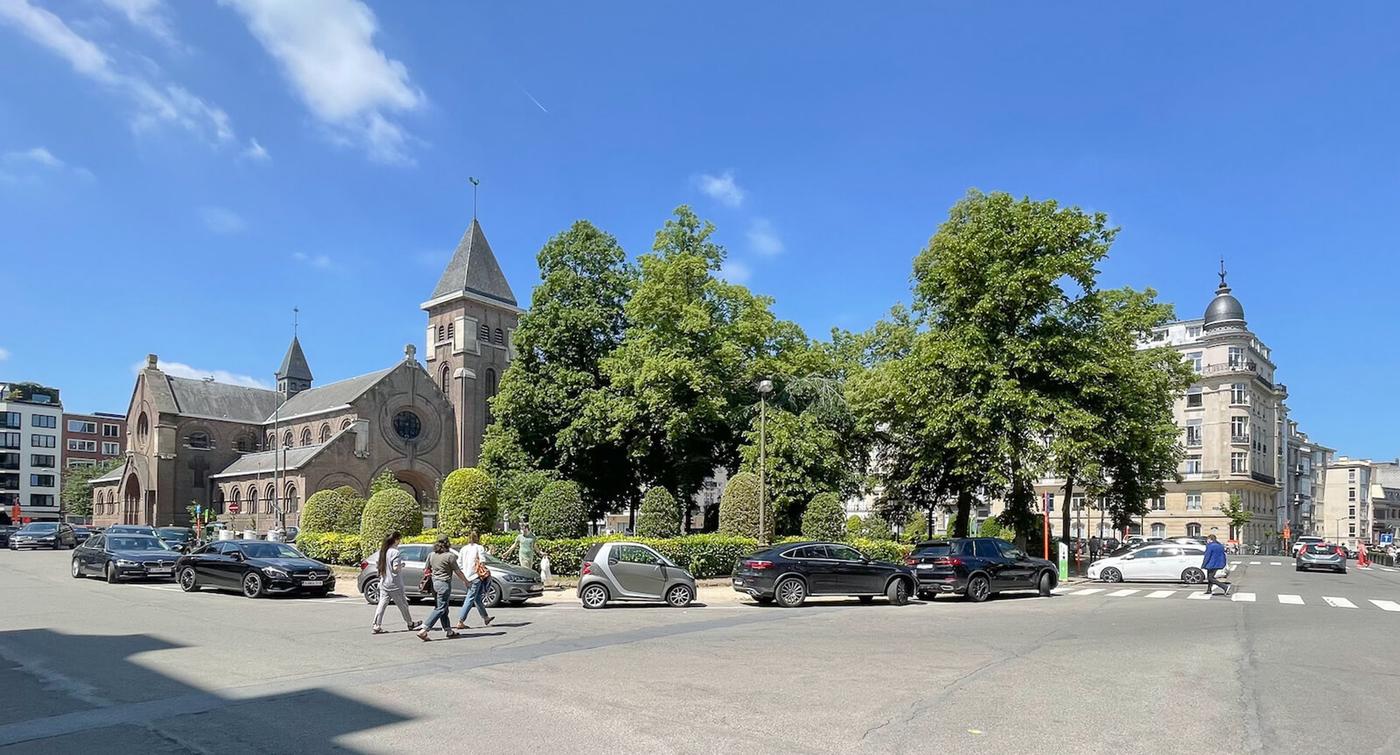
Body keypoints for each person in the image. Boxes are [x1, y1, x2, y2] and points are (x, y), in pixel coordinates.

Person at [418, 536, 470, 642]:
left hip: (433, 584)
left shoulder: (431, 555)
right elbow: (458, 571)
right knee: (440, 608)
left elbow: (426, 569)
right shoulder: (449, 556)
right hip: (444, 584)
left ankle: (448, 630)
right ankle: (424, 629)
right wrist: (466, 581)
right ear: (448, 544)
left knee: (443, 607)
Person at [372, 531, 421, 635]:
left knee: (382, 604)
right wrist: (401, 565)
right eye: (399, 539)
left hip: (384, 582)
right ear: (395, 540)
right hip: (395, 583)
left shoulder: (383, 551)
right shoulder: (395, 552)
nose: (400, 541)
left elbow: (378, 565)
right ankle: (410, 623)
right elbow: (395, 568)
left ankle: (376, 624)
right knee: (403, 605)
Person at [455, 531, 495, 630]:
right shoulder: (479, 548)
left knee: (477, 598)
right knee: (470, 598)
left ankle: (485, 617)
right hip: (475, 576)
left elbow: (459, 563)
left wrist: (464, 573)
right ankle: (461, 621)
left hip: (466, 576)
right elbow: (482, 561)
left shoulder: (464, 549)